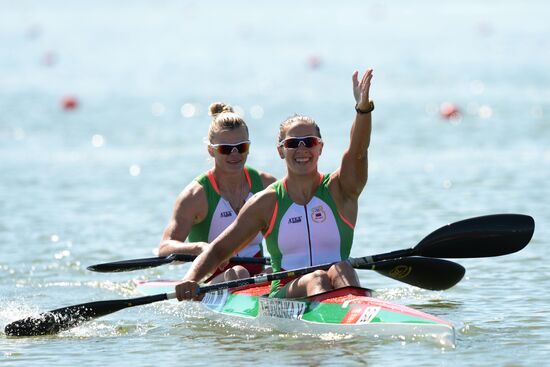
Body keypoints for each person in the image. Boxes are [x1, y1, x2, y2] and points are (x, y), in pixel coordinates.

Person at [175, 68, 374, 300]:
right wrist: (189, 279)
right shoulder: (267, 202)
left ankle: (356, 315)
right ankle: (335, 320)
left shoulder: (340, 190)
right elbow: (219, 249)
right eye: (292, 144)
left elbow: (358, 151)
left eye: (309, 142)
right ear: (281, 151)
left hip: (337, 283)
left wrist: (363, 109)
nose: (301, 150)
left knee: (343, 268)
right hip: (286, 292)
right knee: (317, 278)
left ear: (320, 147)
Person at [158, 102, 276, 283]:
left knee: (272, 271)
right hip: (210, 280)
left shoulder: (266, 185)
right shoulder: (195, 196)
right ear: (211, 150)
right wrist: (199, 248)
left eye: (242, 147)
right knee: (238, 273)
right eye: (225, 149)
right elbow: (165, 248)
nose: (235, 154)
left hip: (258, 277)